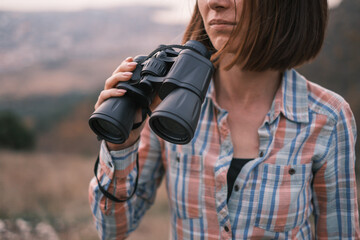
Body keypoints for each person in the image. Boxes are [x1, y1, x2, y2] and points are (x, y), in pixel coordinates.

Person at [89, 0, 360, 239]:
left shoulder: (327, 118)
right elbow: (112, 229)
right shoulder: (165, 102)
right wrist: (121, 146)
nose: (215, 3)